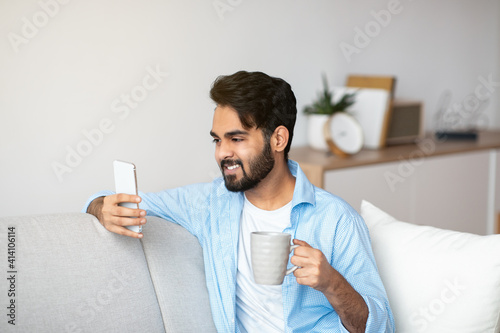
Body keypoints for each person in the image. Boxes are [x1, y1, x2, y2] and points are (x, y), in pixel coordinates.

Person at [84, 71, 394, 332]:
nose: (221, 153)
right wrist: (100, 207)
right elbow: (124, 202)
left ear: (278, 139)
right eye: (217, 140)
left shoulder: (336, 219)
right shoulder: (210, 203)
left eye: (236, 139)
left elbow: (381, 326)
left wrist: (331, 283)